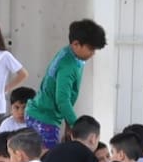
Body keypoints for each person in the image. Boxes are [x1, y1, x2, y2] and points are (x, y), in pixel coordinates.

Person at [25, 18, 108, 151]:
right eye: (91, 49)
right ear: (76, 44)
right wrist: (79, 129)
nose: (93, 53)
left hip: (48, 115)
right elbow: (62, 100)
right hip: (43, 118)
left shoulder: (73, 55)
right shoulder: (68, 66)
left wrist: (69, 126)